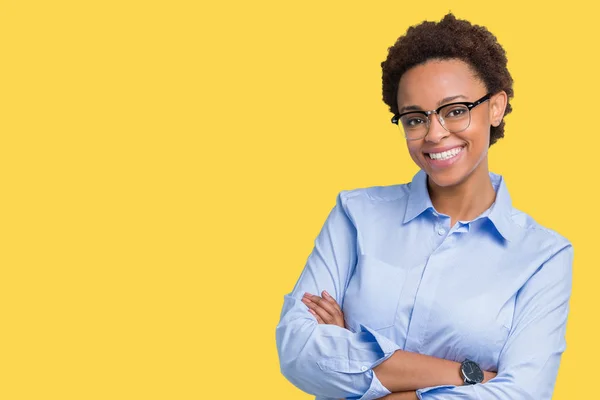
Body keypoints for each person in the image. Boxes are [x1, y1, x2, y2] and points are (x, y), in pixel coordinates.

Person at [275, 13, 573, 400]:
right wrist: (470, 376)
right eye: (415, 119)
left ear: (495, 107)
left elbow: (523, 394)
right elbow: (297, 351)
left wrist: (355, 359)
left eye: (456, 110)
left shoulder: (542, 256)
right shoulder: (356, 215)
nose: (434, 134)